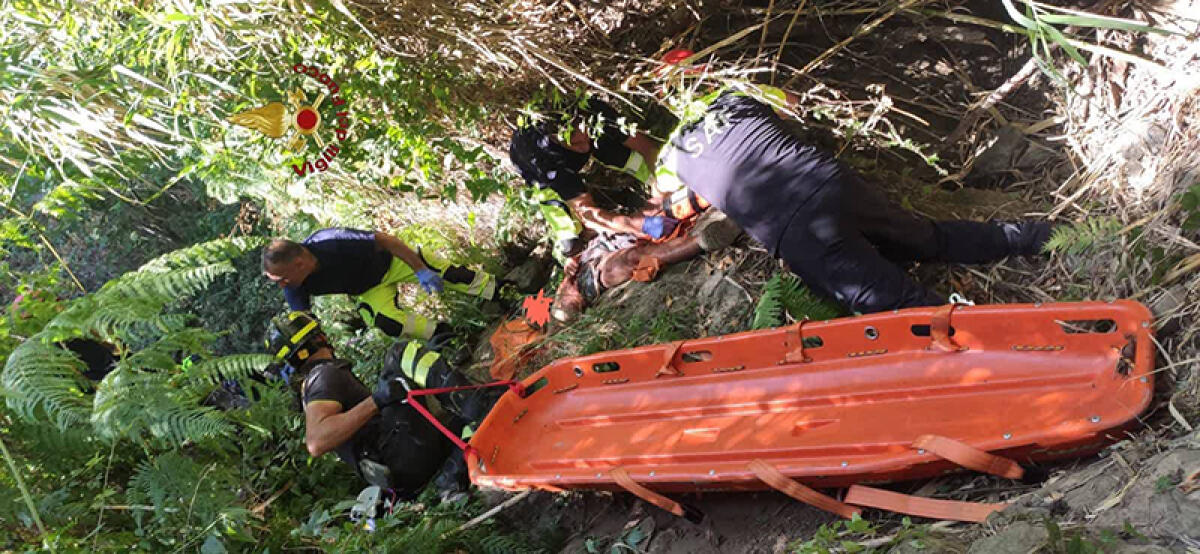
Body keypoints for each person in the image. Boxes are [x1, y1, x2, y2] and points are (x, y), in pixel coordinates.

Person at [653, 81, 1051, 314]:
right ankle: (1036, 235)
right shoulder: (737, 93)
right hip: (827, 179)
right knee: (928, 238)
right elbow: (792, 106)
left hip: (794, 227)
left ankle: (994, 344)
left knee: (897, 306)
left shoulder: (672, 154)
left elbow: (662, 195)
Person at [264, 311, 495, 499]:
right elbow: (316, 442)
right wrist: (377, 400)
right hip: (399, 455)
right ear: (318, 338)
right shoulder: (323, 376)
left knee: (470, 423)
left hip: (403, 476)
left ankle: (451, 477)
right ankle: (477, 403)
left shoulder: (314, 386)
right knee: (399, 354)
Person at [509, 94, 679, 262]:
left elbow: (647, 148)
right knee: (572, 244)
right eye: (575, 144)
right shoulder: (545, 160)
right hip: (539, 167)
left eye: (585, 138)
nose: (584, 148)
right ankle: (571, 248)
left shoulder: (596, 113)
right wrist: (636, 225)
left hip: (593, 134)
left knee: (619, 154)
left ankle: (649, 180)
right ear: (557, 139)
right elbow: (589, 214)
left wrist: (660, 190)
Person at [263, 228, 497, 341]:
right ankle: (450, 337)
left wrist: (421, 270)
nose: (282, 286)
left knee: (455, 277)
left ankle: (504, 291)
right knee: (390, 324)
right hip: (368, 289)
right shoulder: (295, 287)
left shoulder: (331, 242)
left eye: (282, 278)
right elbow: (303, 320)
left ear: (298, 263)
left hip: (394, 261)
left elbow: (385, 240)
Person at [552, 210, 743, 322]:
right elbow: (566, 312)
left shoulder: (570, 271)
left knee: (662, 206)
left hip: (607, 241)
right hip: (597, 270)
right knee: (628, 260)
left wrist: (572, 260)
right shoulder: (597, 278)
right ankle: (704, 240)